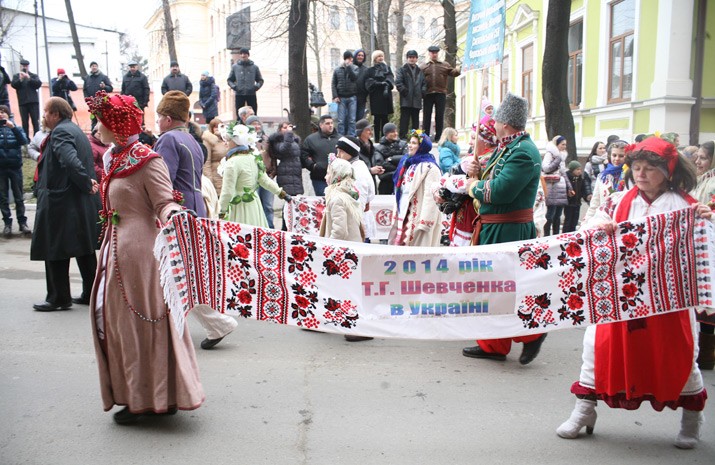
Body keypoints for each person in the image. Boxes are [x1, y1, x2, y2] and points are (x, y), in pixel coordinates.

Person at [556, 137, 708, 449]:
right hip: (618, 295)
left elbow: (703, 249)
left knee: (678, 354)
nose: (640, 174)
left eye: (649, 169)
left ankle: (691, 420)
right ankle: (584, 410)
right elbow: (589, 228)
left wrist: (708, 220)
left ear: (667, 172)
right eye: (636, 167)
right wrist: (602, 226)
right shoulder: (618, 201)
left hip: (669, 299)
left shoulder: (686, 207)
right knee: (597, 348)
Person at [84, 90, 204, 424]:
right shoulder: (113, 156)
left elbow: (164, 201)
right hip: (116, 248)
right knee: (121, 326)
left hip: (141, 255)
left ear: (117, 126)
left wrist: (175, 214)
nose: (97, 125)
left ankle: (157, 398)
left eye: (102, 120)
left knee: (143, 326)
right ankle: (135, 394)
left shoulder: (147, 159)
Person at [461, 93, 547, 364]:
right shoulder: (508, 147)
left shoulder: (523, 152)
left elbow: (500, 192)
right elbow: (493, 173)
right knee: (489, 289)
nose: (493, 125)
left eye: (496, 120)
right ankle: (493, 344)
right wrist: (476, 168)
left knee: (508, 290)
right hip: (494, 229)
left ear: (506, 124)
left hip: (507, 231)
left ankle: (533, 335)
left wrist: (471, 186)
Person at [153, 91, 237, 350]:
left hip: (177, 210)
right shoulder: (191, 139)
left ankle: (215, 323)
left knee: (176, 271)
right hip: (196, 206)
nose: (157, 122)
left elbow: (163, 179)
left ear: (168, 118)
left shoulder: (167, 140)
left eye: (158, 117)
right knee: (186, 270)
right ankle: (213, 323)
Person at [30, 97, 100, 312]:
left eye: (46, 112)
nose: (44, 116)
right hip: (75, 199)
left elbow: (69, 160)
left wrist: (85, 181)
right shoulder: (76, 130)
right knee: (84, 248)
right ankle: (91, 293)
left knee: (55, 248)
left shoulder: (61, 132)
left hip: (62, 201)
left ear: (56, 114)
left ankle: (58, 297)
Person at [217, 122, 290, 225]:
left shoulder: (232, 163)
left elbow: (227, 191)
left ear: (235, 142)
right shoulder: (254, 158)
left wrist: (221, 211)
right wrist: (281, 193)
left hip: (239, 207)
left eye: (228, 140)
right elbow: (265, 181)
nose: (225, 143)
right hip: (253, 205)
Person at [390, 130, 441, 247]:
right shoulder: (406, 163)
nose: (409, 145)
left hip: (417, 214)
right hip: (403, 208)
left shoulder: (431, 168)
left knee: (417, 249)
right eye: (410, 142)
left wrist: (424, 222)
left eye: (413, 143)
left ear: (421, 147)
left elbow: (431, 196)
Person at [690, 140, 715, 371]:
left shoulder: (712, 182)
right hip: (701, 244)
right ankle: (703, 350)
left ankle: (707, 352)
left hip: (711, 244)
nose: (698, 161)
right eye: (696, 157)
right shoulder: (703, 180)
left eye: (703, 158)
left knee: (709, 298)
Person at [335, 135, 377, 242]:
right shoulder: (350, 168)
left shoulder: (358, 173)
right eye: (337, 151)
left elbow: (359, 204)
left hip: (357, 224)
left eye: (341, 152)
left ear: (351, 153)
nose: (338, 155)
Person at [0, 105, 29, 236]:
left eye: (3, 112)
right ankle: (7, 224)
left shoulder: (16, 127)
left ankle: (22, 223)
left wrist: (13, 128)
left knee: (19, 196)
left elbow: (24, 141)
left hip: (15, 167)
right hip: (1, 168)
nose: (1, 114)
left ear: (8, 114)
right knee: (3, 197)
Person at [421, 45, 460, 141]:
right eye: (432, 52)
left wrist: (459, 68)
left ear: (437, 53)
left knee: (439, 115)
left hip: (441, 93)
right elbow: (419, 80)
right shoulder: (423, 66)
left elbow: (453, 73)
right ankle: (425, 137)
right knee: (427, 115)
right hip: (428, 94)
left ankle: (438, 137)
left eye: (435, 52)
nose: (434, 54)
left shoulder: (444, 64)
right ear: (429, 53)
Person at [267, 122, 303, 226]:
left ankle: (291, 224)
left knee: (294, 200)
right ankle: (284, 225)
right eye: (284, 127)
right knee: (288, 200)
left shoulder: (293, 140)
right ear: (279, 130)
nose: (287, 129)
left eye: (288, 127)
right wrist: (288, 134)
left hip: (295, 173)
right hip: (286, 173)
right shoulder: (277, 141)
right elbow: (283, 150)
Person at [583, 140, 628, 222]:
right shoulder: (603, 176)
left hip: (623, 222)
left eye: (621, 156)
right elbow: (594, 204)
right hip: (604, 223)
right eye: (614, 155)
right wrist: (585, 223)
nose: (617, 159)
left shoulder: (631, 177)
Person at [246, 115, 275, 228]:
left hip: (267, 175)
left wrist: (273, 172)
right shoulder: (245, 140)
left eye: (258, 124)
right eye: (253, 124)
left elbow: (273, 156)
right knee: (255, 205)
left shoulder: (267, 139)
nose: (257, 126)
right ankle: (257, 228)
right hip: (253, 177)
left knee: (268, 205)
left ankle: (270, 228)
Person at [542, 135, 574, 236]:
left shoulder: (562, 155)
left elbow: (563, 172)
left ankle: (556, 236)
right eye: (562, 144)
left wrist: (569, 187)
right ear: (557, 144)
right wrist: (557, 160)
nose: (564, 146)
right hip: (551, 187)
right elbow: (545, 168)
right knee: (550, 214)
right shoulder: (550, 154)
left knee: (558, 215)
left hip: (560, 187)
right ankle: (546, 236)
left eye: (565, 145)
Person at [301, 114, 340, 196]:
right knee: (323, 201)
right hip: (319, 178)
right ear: (321, 125)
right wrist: (313, 166)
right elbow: (304, 155)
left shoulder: (340, 139)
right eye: (327, 123)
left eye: (331, 123)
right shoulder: (311, 139)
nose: (330, 125)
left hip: (338, 179)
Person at [395, 50, 426, 139]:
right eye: (410, 57)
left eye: (414, 57)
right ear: (407, 58)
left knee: (416, 120)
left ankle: (415, 137)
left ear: (416, 59)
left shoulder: (420, 71)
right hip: (406, 99)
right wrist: (405, 91)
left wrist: (422, 92)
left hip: (417, 99)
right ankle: (403, 137)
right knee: (404, 120)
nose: (412, 59)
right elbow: (398, 82)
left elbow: (424, 83)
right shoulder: (402, 69)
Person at [365, 50, 395, 142]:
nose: (381, 58)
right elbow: (369, 83)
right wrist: (379, 83)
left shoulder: (387, 69)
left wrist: (386, 84)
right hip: (376, 97)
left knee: (385, 119)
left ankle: (385, 138)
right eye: (378, 56)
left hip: (385, 97)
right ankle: (377, 139)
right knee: (377, 119)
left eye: (382, 56)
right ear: (375, 58)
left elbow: (391, 79)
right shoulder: (370, 70)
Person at [227, 48, 263, 116]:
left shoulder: (254, 67)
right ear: (240, 55)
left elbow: (260, 80)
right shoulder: (235, 67)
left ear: (248, 55)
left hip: (251, 94)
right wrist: (235, 87)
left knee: (253, 114)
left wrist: (256, 87)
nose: (243, 55)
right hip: (239, 94)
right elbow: (229, 80)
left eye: (245, 54)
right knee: (239, 115)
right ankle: (239, 126)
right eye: (242, 54)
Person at [373, 122, 407, 195]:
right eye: (392, 132)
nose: (396, 133)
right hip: (386, 182)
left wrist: (390, 159)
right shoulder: (378, 148)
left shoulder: (403, 144)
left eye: (396, 131)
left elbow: (406, 159)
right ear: (386, 134)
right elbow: (381, 165)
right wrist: (398, 169)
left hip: (401, 181)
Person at [11, 59, 42, 136]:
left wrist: (29, 78)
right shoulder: (16, 76)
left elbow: (38, 84)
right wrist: (20, 79)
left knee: (35, 121)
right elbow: (14, 85)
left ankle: (36, 137)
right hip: (22, 102)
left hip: (33, 102)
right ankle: (26, 139)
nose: (25, 67)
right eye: (23, 66)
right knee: (24, 122)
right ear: (20, 66)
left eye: (26, 66)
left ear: (28, 67)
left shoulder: (33, 75)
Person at [331, 50, 359, 137]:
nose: (349, 60)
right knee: (341, 120)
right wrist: (335, 96)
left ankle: (351, 136)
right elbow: (333, 84)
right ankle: (340, 137)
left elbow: (354, 78)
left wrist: (349, 67)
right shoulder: (337, 70)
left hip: (352, 97)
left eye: (351, 59)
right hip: (341, 98)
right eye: (348, 58)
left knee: (352, 119)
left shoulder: (355, 68)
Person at [562, 160, 592, 233]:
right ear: (572, 170)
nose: (579, 171)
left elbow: (583, 190)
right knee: (568, 221)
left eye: (580, 169)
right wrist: (568, 195)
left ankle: (572, 234)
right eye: (577, 169)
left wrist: (586, 196)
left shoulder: (580, 179)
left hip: (577, 203)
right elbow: (564, 190)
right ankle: (565, 234)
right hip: (569, 204)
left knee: (574, 222)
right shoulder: (567, 179)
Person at [202, 118, 228, 193]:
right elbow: (207, 162)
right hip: (216, 175)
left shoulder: (227, 139)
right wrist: (209, 181)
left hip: (227, 174)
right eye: (215, 127)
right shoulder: (209, 140)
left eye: (220, 126)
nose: (218, 129)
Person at [353, 49, 369, 121]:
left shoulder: (366, 69)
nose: (360, 57)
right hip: (351, 97)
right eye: (359, 55)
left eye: (362, 55)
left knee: (360, 118)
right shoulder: (350, 67)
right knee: (351, 118)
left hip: (362, 98)